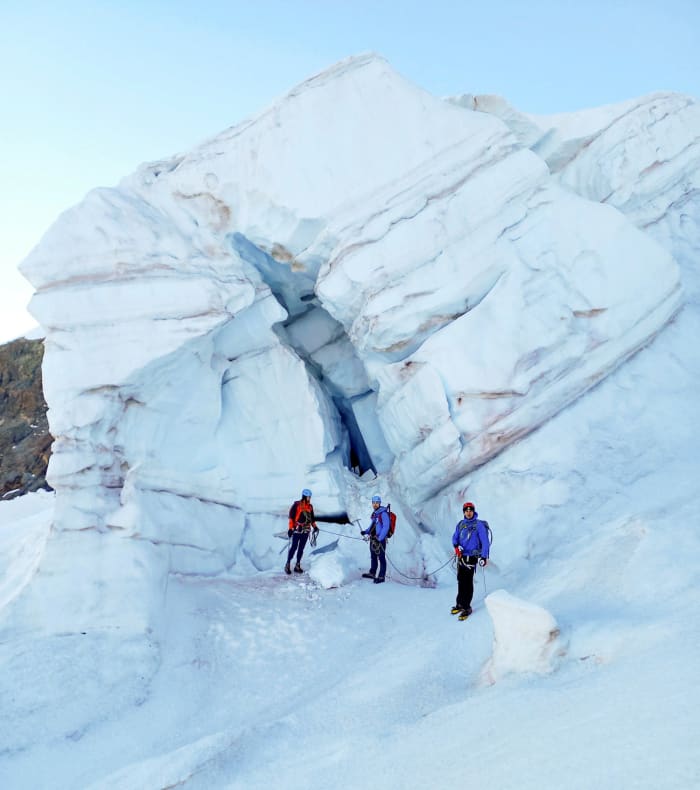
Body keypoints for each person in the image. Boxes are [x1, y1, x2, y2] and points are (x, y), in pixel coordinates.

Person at [451, 501, 490, 620]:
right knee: (460, 580)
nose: (468, 513)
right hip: (461, 557)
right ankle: (460, 603)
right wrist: (456, 547)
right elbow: (455, 537)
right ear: (464, 512)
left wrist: (484, 556)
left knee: (467, 582)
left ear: (473, 511)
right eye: (466, 510)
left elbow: (485, 542)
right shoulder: (461, 524)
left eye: (470, 510)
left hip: (471, 557)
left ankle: (467, 606)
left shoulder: (479, 525)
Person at [286, 488, 318, 574]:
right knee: (294, 547)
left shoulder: (310, 507)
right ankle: (288, 564)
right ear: (304, 496)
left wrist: (315, 527)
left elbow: (312, 519)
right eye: (308, 497)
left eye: (310, 497)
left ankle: (297, 565)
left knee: (301, 549)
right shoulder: (297, 505)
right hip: (297, 530)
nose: (309, 498)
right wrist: (290, 529)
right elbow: (291, 518)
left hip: (306, 531)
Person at [360, 495, 391, 584]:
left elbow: (386, 527)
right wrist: (366, 532)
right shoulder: (376, 514)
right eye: (373, 503)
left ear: (380, 503)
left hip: (380, 540)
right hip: (373, 539)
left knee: (381, 558)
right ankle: (372, 573)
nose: (375, 504)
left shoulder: (383, 513)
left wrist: (380, 538)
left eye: (377, 503)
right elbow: (373, 525)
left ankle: (381, 576)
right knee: (373, 557)